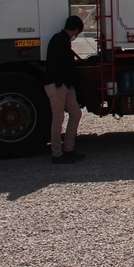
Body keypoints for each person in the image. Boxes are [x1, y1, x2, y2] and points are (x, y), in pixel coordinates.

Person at [44, 15, 86, 164]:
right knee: (58, 119)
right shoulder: (60, 41)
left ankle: (68, 148)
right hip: (59, 85)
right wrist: (59, 83)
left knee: (75, 113)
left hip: (63, 85)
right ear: (76, 30)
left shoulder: (59, 39)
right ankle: (57, 153)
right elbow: (55, 65)